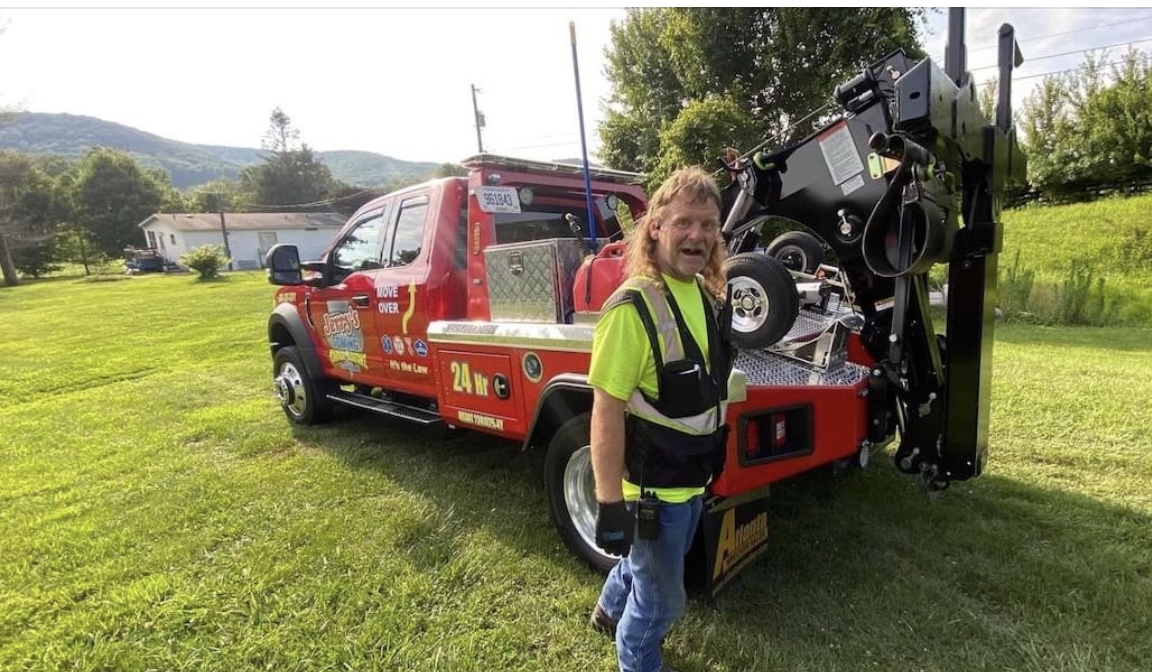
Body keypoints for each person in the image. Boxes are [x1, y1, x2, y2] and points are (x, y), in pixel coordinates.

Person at [587, 165, 733, 672]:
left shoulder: (709, 295)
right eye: (684, 222)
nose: (697, 235)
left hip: (692, 476)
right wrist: (609, 504)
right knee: (664, 598)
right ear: (656, 226)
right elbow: (605, 410)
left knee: (648, 570)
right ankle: (637, 660)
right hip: (653, 492)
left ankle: (608, 611)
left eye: (709, 224)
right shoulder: (632, 309)